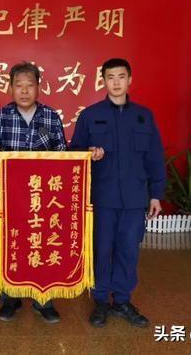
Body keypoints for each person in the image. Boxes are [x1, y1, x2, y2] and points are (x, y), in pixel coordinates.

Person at [68, 58, 165, 328]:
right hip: (102, 197)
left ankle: (122, 300)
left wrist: (156, 194)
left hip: (134, 198)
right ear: (103, 81)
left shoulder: (144, 116)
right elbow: (74, 151)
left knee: (128, 250)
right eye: (110, 77)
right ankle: (100, 300)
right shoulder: (90, 115)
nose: (116, 82)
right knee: (102, 249)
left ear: (130, 79)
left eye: (121, 76)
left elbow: (155, 157)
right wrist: (89, 153)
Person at [0, 61, 70, 324]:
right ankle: (10, 298)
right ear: (10, 88)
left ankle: (44, 300)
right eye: (18, 85)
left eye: (29, 85)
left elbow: (63, 155)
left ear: (38, 87)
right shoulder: (0, 116)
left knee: (43, 244)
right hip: (9, 196)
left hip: (44, 198)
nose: (24, 91)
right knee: (10, 245)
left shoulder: (50, 117)